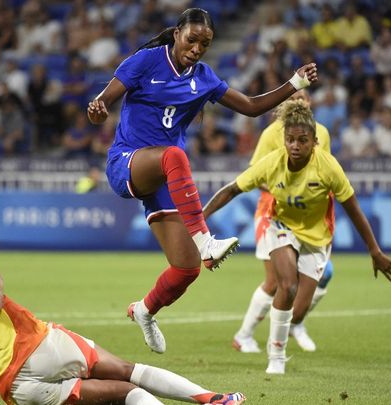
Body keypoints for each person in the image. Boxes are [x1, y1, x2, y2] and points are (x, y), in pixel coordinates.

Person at [86, 7, 318, 354]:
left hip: (163, 174)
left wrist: (295, 83)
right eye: (192, 39)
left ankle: (145, 311)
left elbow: (252, 107)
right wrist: (98, 107)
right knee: (176, 155)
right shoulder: (146, 61)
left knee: (186, 269)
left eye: (204, 44)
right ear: (177, 33)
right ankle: (206, 240)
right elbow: (104, 100)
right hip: (127, 162)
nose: (196, 48)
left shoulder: (204, 77)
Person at [0, 211, 246, 405]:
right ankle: (213, 400)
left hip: (18, 389)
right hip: (40, 348)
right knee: (129, 379)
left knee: (114, 397)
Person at [202, 99, 391, 375]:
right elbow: (232, 189)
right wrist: (199, 217)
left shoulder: (329, 168)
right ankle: (276, 356)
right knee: (286, 285)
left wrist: (375, 251)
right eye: (290, 140)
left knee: (297, 312)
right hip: (280, 223)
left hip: (317, 235)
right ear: (283, 139)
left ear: (314, 141)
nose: (295, 146)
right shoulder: (272, 162)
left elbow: (354, 211)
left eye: (302, 141)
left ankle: (285, 328)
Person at [218, 89, 334, 355]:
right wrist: (287, 189)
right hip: (275, 212)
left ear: (310, 102)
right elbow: (256, 174)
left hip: (308, 216)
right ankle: (243, 336)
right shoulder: (272, 134)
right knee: (275, 282)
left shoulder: (322, 133)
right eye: (294, 98)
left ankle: (296, 322)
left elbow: (323, 170)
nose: (299, 102)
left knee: (324, 273)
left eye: (303, 98)